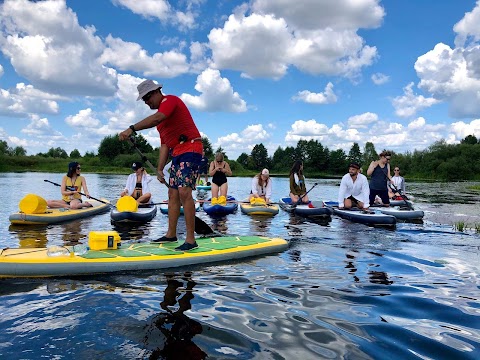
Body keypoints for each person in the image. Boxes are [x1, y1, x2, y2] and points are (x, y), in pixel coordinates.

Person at [119, 79, 203, 251]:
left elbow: (157, 117)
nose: (147, 102)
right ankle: (171, 235)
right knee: (172, 195)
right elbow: (165, 145)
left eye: (148, 97)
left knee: (184, 192)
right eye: (144, 100)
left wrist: (132, 128)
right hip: (177, 153)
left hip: (192, 147)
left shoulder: (170, 101)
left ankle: (190, 239)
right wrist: (159, 169)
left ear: (157, 92)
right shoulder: (161, 124)